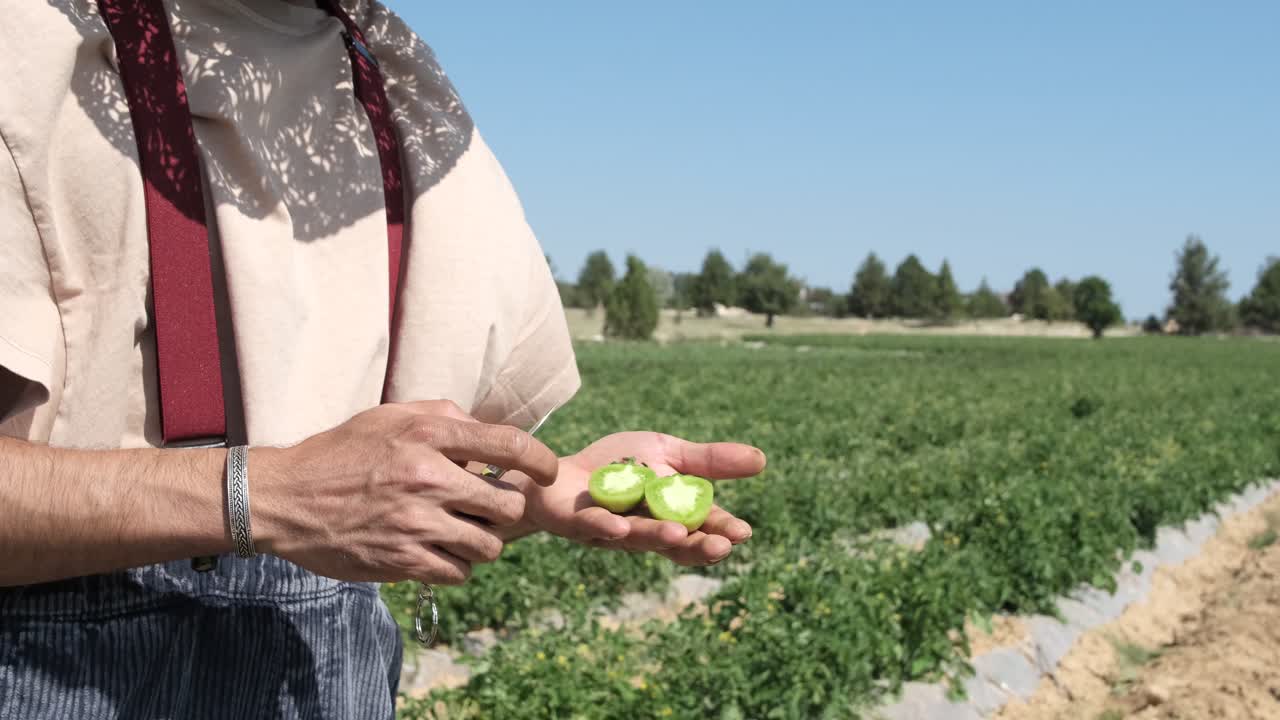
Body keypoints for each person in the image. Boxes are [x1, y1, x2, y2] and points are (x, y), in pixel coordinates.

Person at [0, 1, 764, 717]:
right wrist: (265, 497)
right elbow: (309, 498)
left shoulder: (397, 88)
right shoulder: (31, 58)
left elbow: (356, 492)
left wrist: (534, 489)